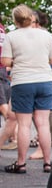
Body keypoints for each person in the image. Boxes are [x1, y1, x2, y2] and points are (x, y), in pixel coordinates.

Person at [0, 4, 52, 174]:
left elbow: (5, 61)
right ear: (31, 18)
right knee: (42, 123)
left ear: (15, 20)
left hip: (22, 83)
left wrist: (19, 62)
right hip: (44, 81)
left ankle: (21, 164)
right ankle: (48, 162)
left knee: (24, 125)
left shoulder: (11, 37)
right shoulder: (45, 35)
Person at [29, 10, 52, 159]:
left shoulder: (44, 36)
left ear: (37, 22)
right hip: (47, 78)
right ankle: (47, 142)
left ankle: (50, 140)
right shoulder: (43, 36)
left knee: (47, 113)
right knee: (46, 112)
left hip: (48, 78)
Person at [0, 21, 17, 150]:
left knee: (3, 105)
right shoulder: (1, 28)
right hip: (3, 69)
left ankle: (15, 136)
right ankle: (14, 136)